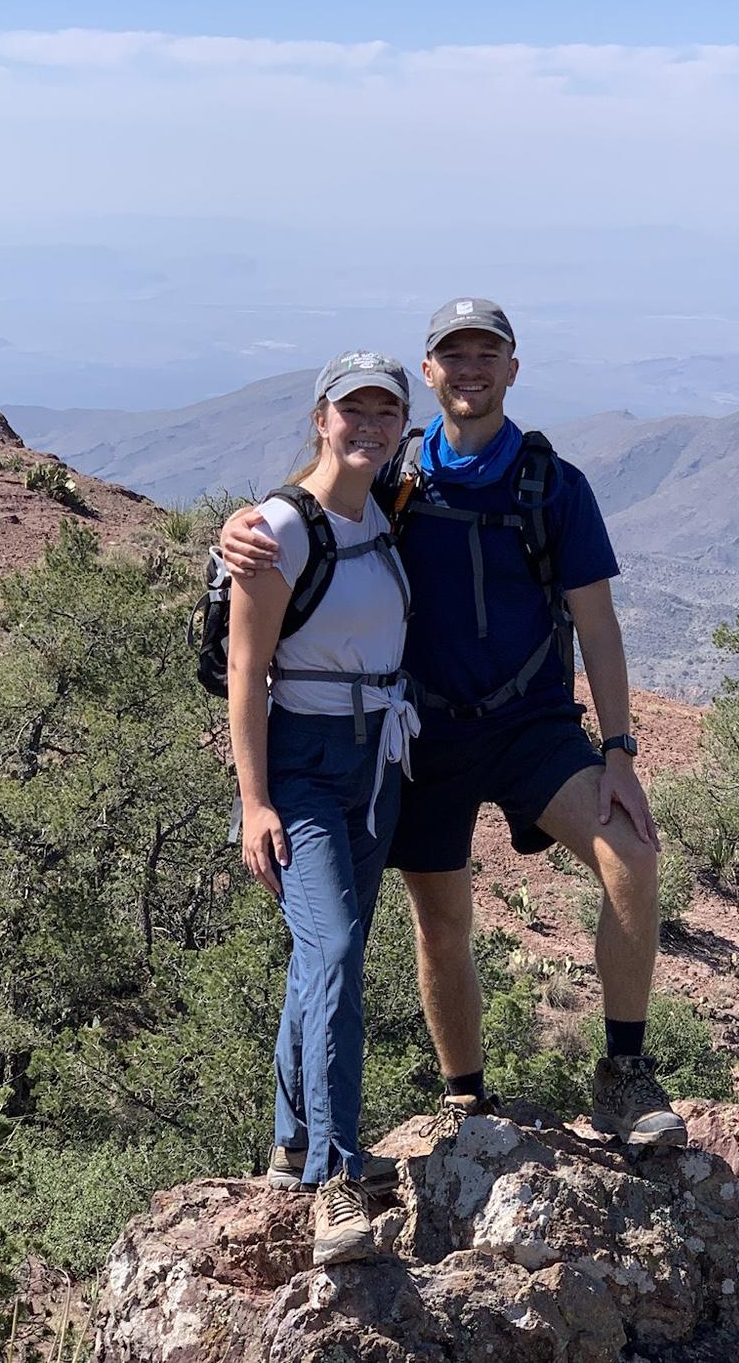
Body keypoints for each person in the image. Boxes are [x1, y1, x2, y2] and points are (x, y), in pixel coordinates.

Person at [222, 299, 687, 1148]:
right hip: (424, 736)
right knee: (441, 925)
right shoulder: (398, 480)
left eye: (488, 353)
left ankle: (622, 1074)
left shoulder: (554, 485)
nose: (470, 368)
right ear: (429, 372)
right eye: (453, 354)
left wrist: (618, 750)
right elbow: (313, 508)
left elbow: (600, 626)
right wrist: (241, 527)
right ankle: (466, 1096)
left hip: (534, 725)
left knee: (632, 857)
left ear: (513, 369)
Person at [228, 350, 418, 1264]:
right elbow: (244, 672)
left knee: (324, 955)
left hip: (376, 762)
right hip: (300, 765)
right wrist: (255, 801)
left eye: (387, 412)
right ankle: (335, 1182)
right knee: (337, 948)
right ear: (320, 418)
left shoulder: (387, 507)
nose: (370, 427)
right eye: (354, 412)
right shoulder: (279, 529)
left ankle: (293, 1139)